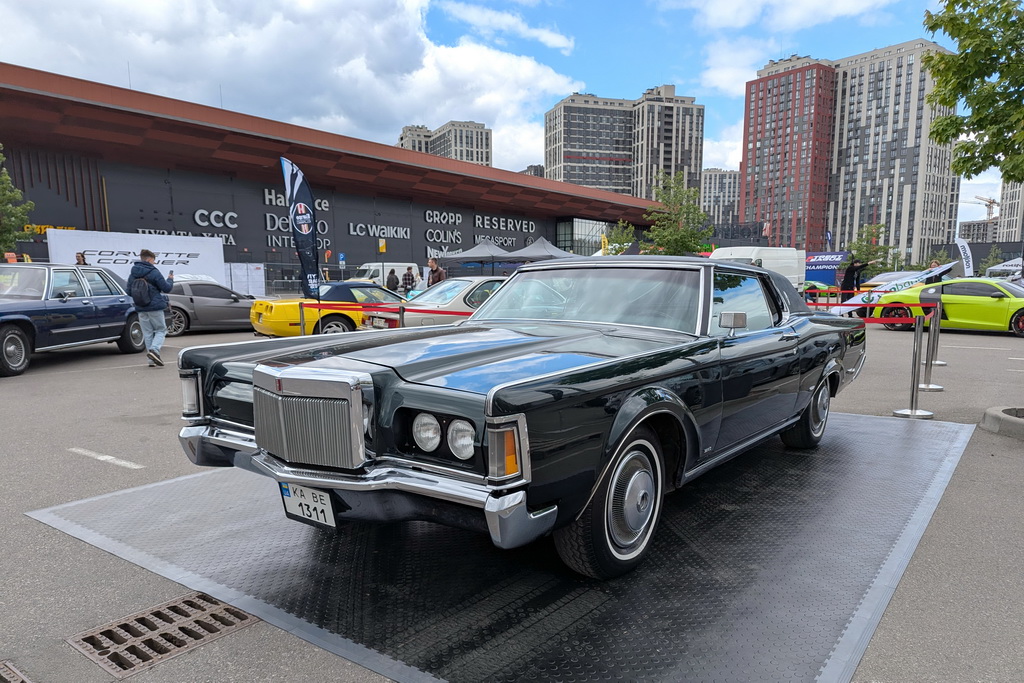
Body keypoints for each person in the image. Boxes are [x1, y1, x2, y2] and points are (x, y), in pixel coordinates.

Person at [127, 249, 174, 367]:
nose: (154, 263)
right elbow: (167, 288)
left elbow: (128, 291)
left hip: (141, 307)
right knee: (161, 330)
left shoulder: (133, 274)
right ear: (149, 259)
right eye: (153, 260)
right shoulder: (154, 272)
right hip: (155, 307)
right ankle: (155, 350)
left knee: (147, 333)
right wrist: (170, 279)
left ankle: (151, 361)